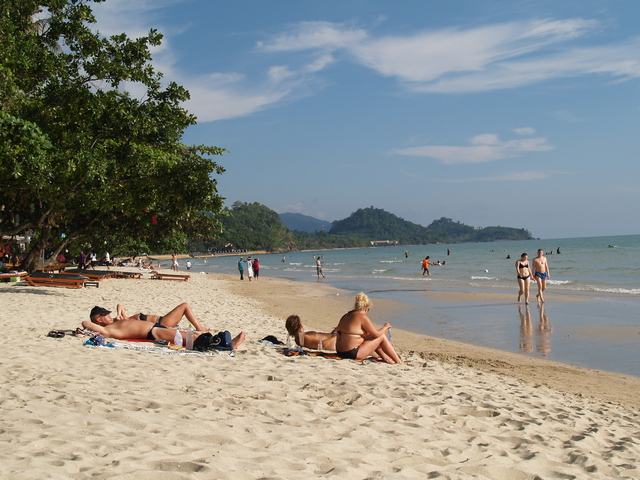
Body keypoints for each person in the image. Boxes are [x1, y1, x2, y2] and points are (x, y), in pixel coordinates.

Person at [83, 304, 246, 348]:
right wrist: (91, 322)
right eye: (105, 315)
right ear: (98, 319)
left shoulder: (116, 322)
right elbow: (85, 323)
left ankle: (227, 343)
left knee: (194, 336)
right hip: (152, 333)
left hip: (155, 329)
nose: (109, 315)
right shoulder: (107, 329)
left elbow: (119, 307)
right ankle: (229, 345)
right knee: (190, 338)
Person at [332, 292, 403, 364]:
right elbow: (377, 334)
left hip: (340, 351)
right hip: (352, 353)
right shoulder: (362, 317)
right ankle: (399, 361)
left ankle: (385, 358)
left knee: (372, 337)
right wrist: (385, 327)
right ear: (366, 309)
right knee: (381, 336)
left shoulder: (346, 316)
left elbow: (337, 331)